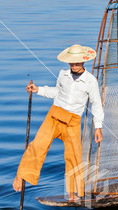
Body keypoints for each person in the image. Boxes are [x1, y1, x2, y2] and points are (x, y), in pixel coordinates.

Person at [12, 44, 104, 201]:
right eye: (71, 62)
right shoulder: (63, 74)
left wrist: (98, 127)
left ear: (83, 62)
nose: (73, 65)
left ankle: (72, 193)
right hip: (54, 115)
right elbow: (57, 92)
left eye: (77, 62)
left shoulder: (90, 81)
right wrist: (38, 89)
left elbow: (96, 104)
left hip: (73, 121)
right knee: (38, 145)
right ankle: (21, 175)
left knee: (74, 156)